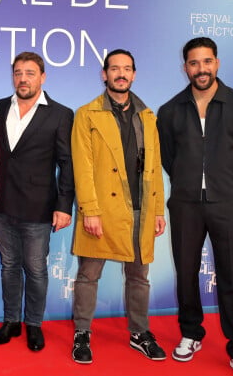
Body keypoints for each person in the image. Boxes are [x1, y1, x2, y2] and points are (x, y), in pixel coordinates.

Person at [157, 37, 233, 376]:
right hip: (184, 204)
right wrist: (188, 183)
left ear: (217, 63)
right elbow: (168, 158)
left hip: (226, 204)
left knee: (232, 278)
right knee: (186, 275)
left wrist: (224, 184)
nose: (201, 69)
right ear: (185, 67)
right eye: (194, 63)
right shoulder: (169, 111)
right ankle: (190, 333)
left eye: (207, 62)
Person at [70, 49, 167, 364]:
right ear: (104, 74)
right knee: (88, 275)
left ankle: (140, 332)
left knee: (139, 275)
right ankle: (82, 333)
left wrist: (157, 210)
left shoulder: (147, 116)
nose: (121, 74)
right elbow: (81, 168)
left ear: (134, 75)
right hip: (102, 210)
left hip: (140, 208)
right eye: (115, 69)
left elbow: (155, 166)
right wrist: (90, 210)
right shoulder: (86, 114)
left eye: (127, 69)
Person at [0, 51, 74, 352]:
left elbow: (67, 163)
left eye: (29, 72)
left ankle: (34, 324)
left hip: (39, 207)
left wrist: (64, 205)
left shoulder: (61, 113)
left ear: (42, 77)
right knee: (9, 266)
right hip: (1, 204)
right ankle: (11, 320)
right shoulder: (1, 107)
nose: (22, 78)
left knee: (35, 268)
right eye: (17, 73)